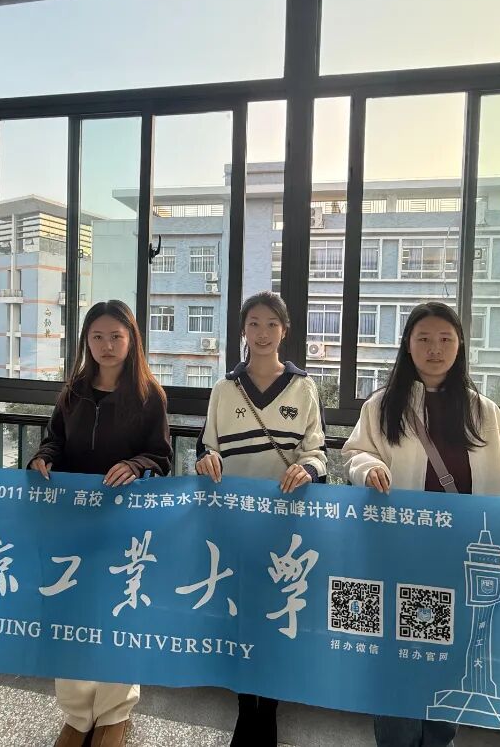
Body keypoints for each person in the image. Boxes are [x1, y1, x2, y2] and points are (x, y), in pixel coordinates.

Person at [342, 301, 500, 747]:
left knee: (449, 659)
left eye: (445, 339)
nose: (435, 348)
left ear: (460, 345)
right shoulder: (382, 406)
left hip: (458, 558)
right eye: (424, 339)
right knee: (400, 659)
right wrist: (369, 468)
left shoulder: (481, 410)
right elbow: (355, 454)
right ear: (408, 345)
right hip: (402, 557)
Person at [28, 300, 172, 747]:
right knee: (71, 612)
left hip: (123, 526)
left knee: (117, 614)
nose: (107, 345)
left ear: (131, 341)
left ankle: (115, 713)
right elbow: (54, 441)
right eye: (97, 337)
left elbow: (161, 457)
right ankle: (77, 714)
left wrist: (135, 464)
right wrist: (42, 459)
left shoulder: (149, 395)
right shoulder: (72, 392)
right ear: (85, 341)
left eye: (116, 336)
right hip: (72, 523)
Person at [195, 291, 327, 747]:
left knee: (275, 619)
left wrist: (307, 469)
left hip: (284, 527)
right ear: (243, 331)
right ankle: (243, 709)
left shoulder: (303, 388)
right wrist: (207, 460)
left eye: (272, 323)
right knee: (239, 617)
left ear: (284, 331)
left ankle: (266, 712)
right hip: (234, 526)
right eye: (254, 323)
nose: (263, 332)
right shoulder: (224, 389)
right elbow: (207, 447)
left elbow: (317, 452)